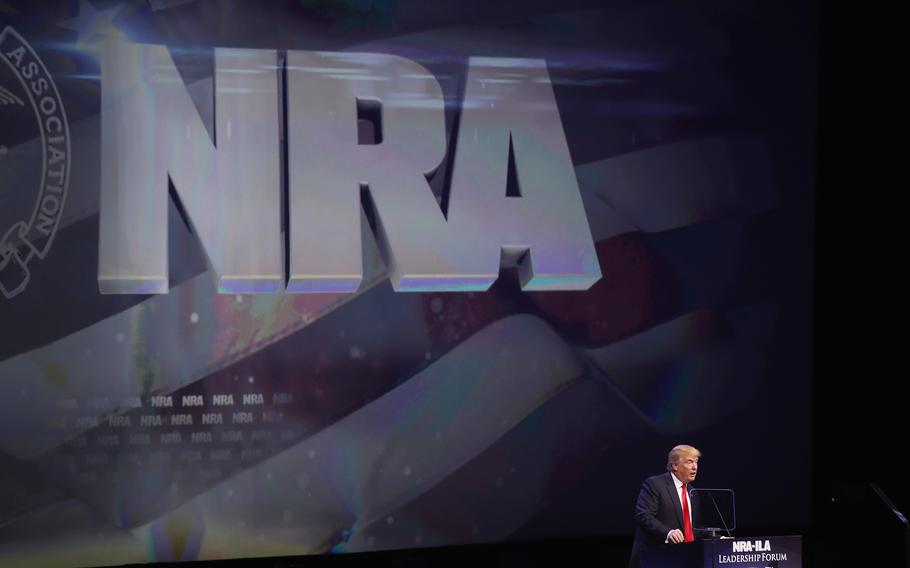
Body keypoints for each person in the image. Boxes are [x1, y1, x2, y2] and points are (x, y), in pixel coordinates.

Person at [629, 445, 703, 568]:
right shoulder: (655, 484)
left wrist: (717, 537)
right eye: (689, 462)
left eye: (696, 462)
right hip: (655, 559)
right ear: (674, 465)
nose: (695, 467)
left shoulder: (692, 492)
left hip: (684, 560)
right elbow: (644, 515)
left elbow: (694, 528)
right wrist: (668, 533)